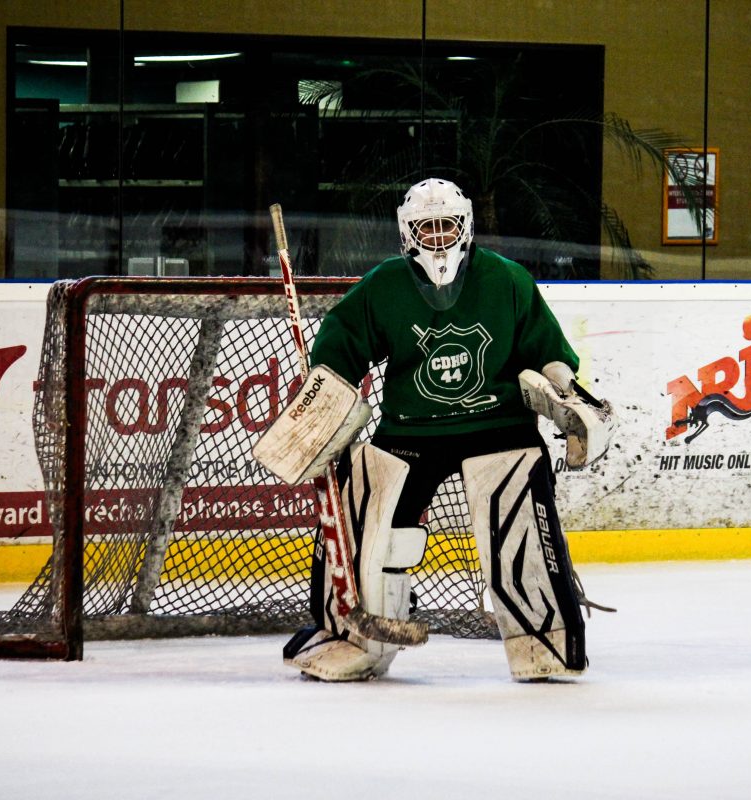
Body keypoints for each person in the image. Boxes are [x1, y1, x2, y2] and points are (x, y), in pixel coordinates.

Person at [255, 177, 613, 680]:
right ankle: (350, 636)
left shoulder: (507, 280)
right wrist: (324, 396)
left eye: (447, 226)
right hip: (410, 430)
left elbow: (548, 352)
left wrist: (565, 391)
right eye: (427, 227)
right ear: (407, 233)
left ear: (465, 228)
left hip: (500, 426)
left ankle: (545, 638)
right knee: (362, 508)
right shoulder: (384, 285)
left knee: (521, 522)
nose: (438, 238)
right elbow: (341, 344)